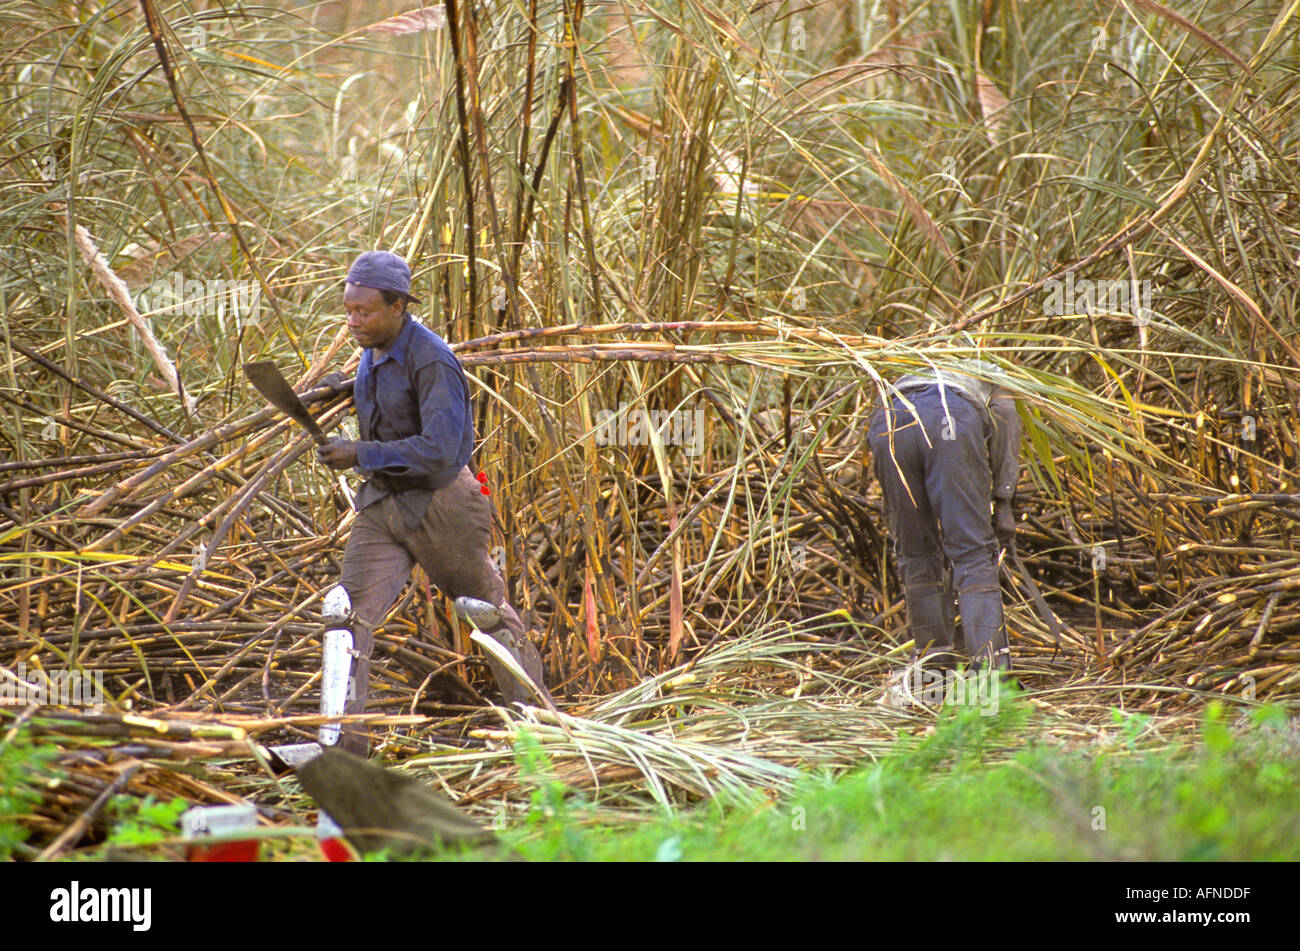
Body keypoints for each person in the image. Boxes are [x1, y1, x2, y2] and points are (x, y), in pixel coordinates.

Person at [316, 250, 547, 755]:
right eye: (348, 310)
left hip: (442, 504)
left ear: (398, 305)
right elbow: (389, 401)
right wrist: (341, 390)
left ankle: (538, 730)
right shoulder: (370, 350)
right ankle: (344, 746)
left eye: (364, 311)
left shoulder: (433, 359)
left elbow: (442, 450)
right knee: (346, 616)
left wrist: (360, 451)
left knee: (484, 611)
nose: (352, 321)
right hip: (382, 502)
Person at [867, 361, 1022, 673]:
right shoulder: (991, 368)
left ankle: (933, 666)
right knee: (973, 553)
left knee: (915, 552)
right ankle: (991, 675)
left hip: (890, 423)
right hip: (950, 421)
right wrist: (1004, 500)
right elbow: (1005, 418)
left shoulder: (907, 365)